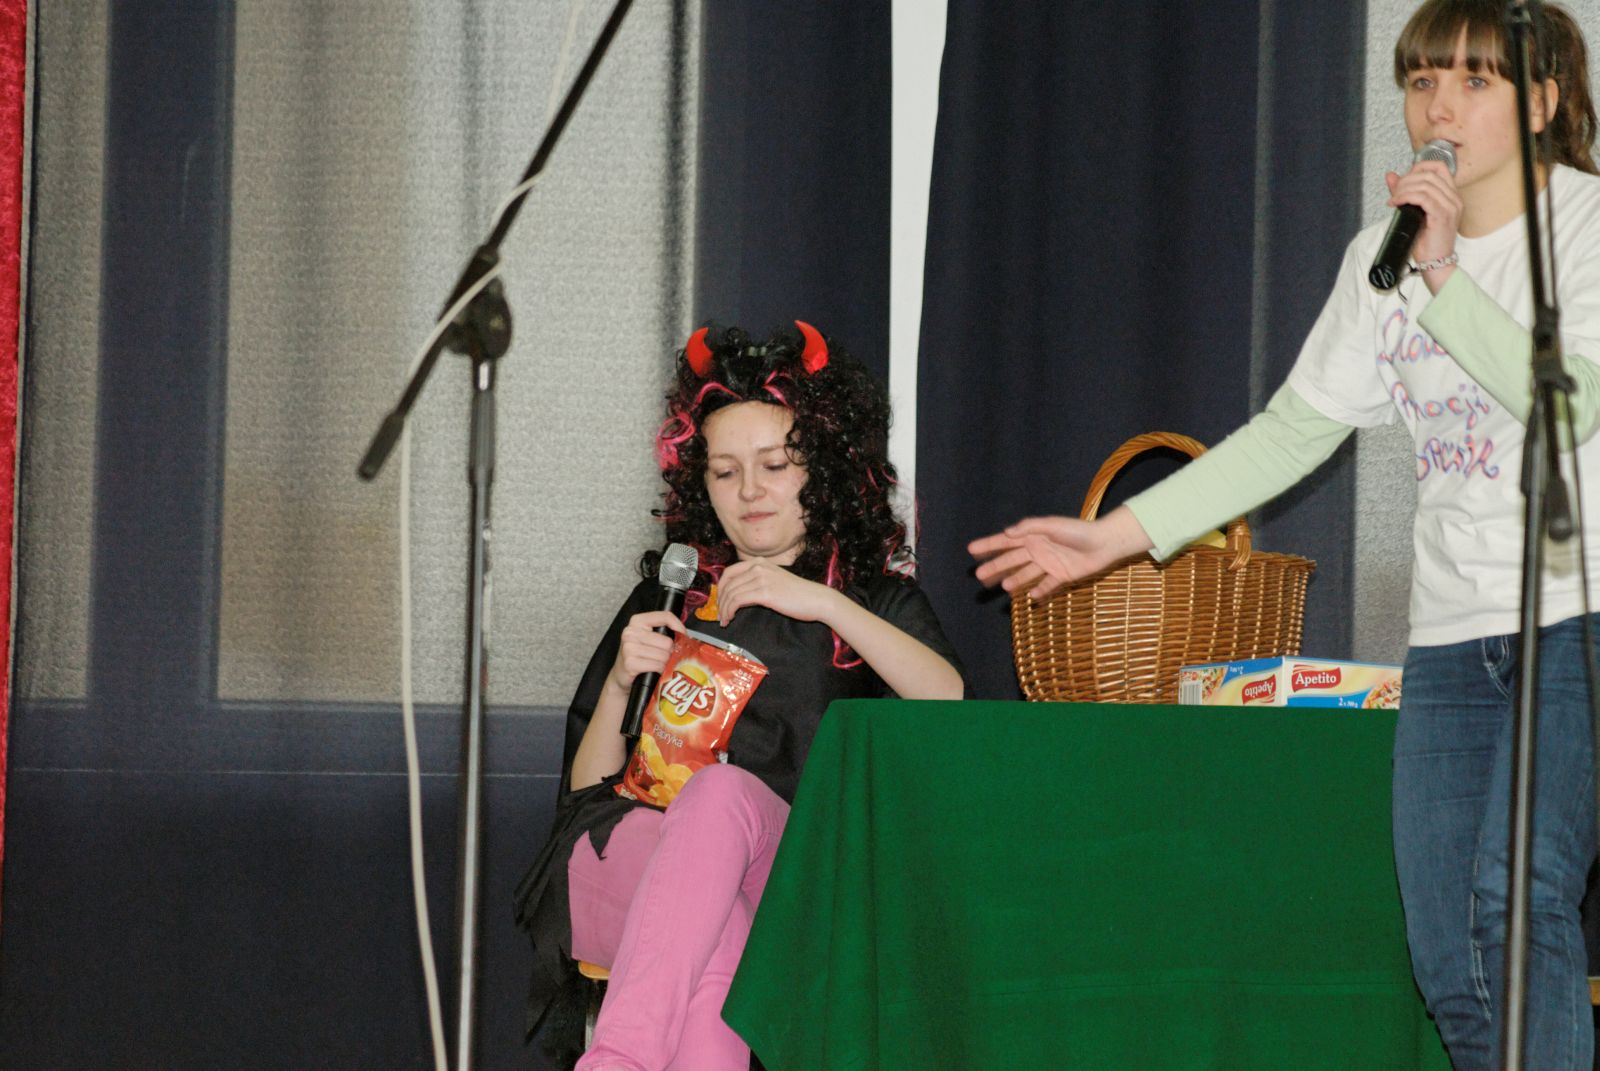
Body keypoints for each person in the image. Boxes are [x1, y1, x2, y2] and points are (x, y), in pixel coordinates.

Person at [971, 3, 1599, 1068]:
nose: (1437, 108)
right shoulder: (1378, 259)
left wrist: (1445, 273)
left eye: (1473, 82)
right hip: (1453, 636)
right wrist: (1117, 537)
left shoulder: (1581, 227)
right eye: (1420, 82)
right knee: (1448, 955)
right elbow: (1293, 431)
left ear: (1541, 103)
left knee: (1515, 898)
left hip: (1579, 618)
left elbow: (1566, 403)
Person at [515, 321, 967, 1071]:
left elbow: (948, 700)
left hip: (793, 876)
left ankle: (618, 1059)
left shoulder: (869, 599)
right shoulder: (671, 593)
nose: (750, 490)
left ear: (823, 466)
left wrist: (822, 602)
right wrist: (622, 682)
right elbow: (589, 790)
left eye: (775, 465)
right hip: (633, 852)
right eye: (725, 472)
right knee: (709, 906)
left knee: (720, 820)